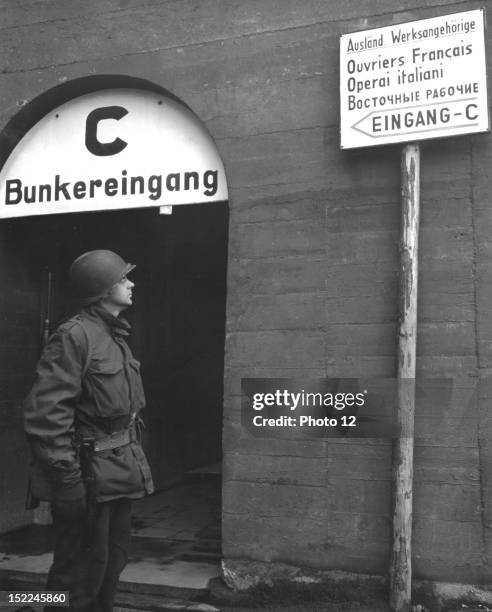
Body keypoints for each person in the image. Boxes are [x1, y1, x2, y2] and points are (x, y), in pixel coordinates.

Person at [23, 249, 154, 611]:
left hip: (116, 471)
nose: (131, 283)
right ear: (102, 288)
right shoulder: (74, 336)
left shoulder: (113, 336)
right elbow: (46, 415)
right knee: (77, 570)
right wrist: (68, 481)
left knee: (111, 563)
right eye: (123, 278)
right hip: (85, 476)